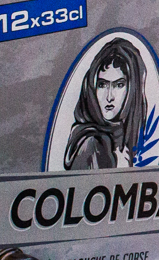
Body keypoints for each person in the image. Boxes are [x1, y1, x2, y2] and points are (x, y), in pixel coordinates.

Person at [64, 38, 150, 171]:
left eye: (119, 85)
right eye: (102, 85)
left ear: (133, 89)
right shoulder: (91, 143)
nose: (109, 97)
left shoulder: (121, 138)